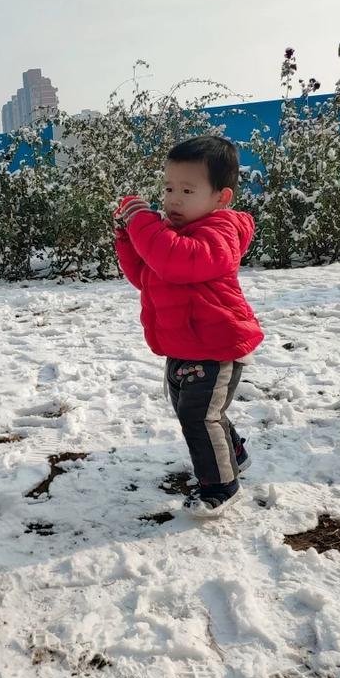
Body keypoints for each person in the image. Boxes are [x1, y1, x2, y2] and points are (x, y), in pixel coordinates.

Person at [114, 135, 264, 518]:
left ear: (220, 198)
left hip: (217, 347)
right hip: (183, 344)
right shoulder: (170, 234)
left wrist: (142, 223)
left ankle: (221, 486)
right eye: (167, 188)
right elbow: (147, 274)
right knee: (196, 410)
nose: (172, 199)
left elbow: (173, 262)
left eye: (186, 190)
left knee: (200, 416)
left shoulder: (220, 232)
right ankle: (235, 453)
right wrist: (129, 238)